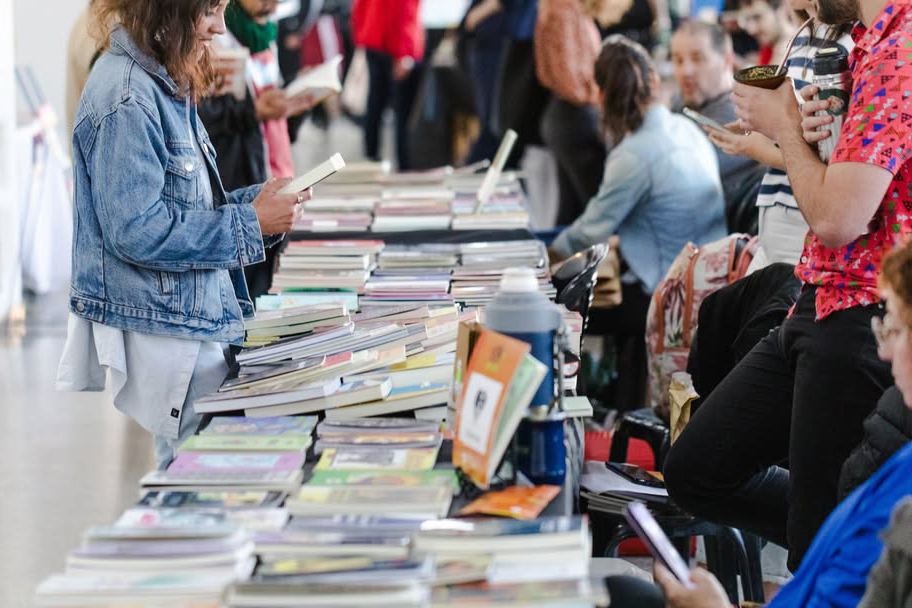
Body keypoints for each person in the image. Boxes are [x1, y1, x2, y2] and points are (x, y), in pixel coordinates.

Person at [665, 0, 912, 574]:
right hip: (818, 291)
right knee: (695, 467)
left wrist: (784, 128)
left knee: (813, 552)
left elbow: (836, 217)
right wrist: (804, 133)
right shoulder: (866, 43)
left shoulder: (899, 54)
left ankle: (843, 545)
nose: (797, 4)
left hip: (861, 315)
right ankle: (844, 537)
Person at [55, 0, 310, 470]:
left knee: (207, 465)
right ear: (169, 11)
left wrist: (257, 203)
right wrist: (251, 223)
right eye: (208, 11)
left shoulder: (161, 80)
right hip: (171, 327)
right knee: (195, 473)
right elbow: (138, 231)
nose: (218, 26)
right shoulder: (127, 96)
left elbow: (187, 207)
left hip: (192, 318)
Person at [609, 238, 912, 608]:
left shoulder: (899, 501)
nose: (883, 349)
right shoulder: (892, 472)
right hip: (815, 302)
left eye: (892, 330)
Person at [550, 35, 726, 410]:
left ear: (602, 96)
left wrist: (539, 256)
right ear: (655, 82)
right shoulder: (685, 128)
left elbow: (586, 232)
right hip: (711, 283)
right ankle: (620, 399)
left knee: (554, 308)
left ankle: (586, 409)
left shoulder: (634, 155)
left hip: (668, 295)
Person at [199, 0, 317, 301]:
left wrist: (296, 104)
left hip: (274, 171)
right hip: (238, 181)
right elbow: (202, 121)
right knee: (246, 296)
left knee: (268, 290)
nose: (274, 4)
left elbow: (275, 120)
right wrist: (253, 112)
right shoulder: (213, 38)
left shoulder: (265, 36)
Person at [670, 20, 767, 234]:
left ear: (726, 60)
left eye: (698, 58)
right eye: (677, 60)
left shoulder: (739, 115)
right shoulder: (680, 102)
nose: (686, 71)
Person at [535, 0, 606, 226]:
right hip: (575, 116)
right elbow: (569, 77)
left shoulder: (562, 7)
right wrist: (599, 99)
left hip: (566, 114)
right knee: (594, 210)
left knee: (571, 209)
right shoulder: (563, 9)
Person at [351, 0, 424, 170]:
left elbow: (359, 10)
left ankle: (371, 161)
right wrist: (404, 52)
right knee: (402, 113)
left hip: (374, 41)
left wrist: (362, 36)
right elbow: (404, 12)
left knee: (375, 106)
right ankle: (404, 167)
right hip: (394, 47)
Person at [461, 0, 507, 165]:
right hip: (486, 46)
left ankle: (473, 173)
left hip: (496, 47)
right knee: (489, 123)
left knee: (492, 125)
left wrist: (474, 16)